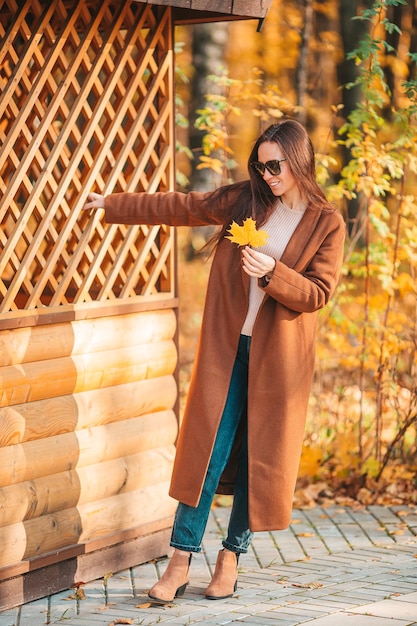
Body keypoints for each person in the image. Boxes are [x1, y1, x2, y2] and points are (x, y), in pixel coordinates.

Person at [82, 119, 345, 603]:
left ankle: (230, 559)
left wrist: (273, 274)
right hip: (228, 350)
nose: (266, 175)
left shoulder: (327, 222)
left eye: (274, 165)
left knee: (256, 462)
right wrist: (113, 203)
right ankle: (179, 560)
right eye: (260, 165)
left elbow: (318, 293)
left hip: (279, 365)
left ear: (299, 160)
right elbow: (185, 205)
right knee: (206, 452)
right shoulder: (247, 199)